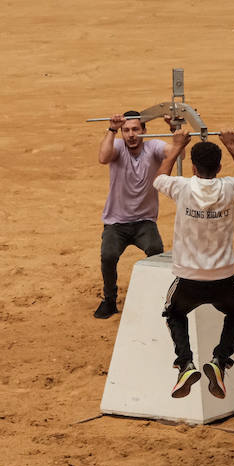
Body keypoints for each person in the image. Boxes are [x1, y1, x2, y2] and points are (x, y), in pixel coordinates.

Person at [153, 130, 234, 400]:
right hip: (223, 278)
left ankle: (185, 363)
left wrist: (177, 146)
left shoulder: (183, 187)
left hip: (188, 278)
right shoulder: (229, 187)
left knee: (174, 313)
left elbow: (160, 177)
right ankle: (220, 361)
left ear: (194, 168)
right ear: (219, 168)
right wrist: (232, 145)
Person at [94, 111, 174, 320]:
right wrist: (111, 129)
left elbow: (177, 153)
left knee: (156, 252)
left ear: (144, 131)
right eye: (126, 130)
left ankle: (158, 297)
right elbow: (103, 158)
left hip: (144, 222)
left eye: (136, 129)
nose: (131, 135)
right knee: (108, 256)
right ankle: (109, 300)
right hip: (116, 221)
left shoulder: (154, 146)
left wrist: (174, 129)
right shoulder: (117, 146)